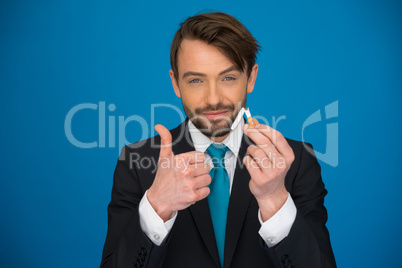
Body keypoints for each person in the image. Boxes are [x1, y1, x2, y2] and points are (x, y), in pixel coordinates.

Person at [100, 12, 336, 268]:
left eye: (228, 78)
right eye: (196, 80)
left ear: (251, 78)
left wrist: (274, 200)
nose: (213, 99)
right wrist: (155, 208)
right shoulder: (136, 162)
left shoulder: (297, 161)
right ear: (176, 83)